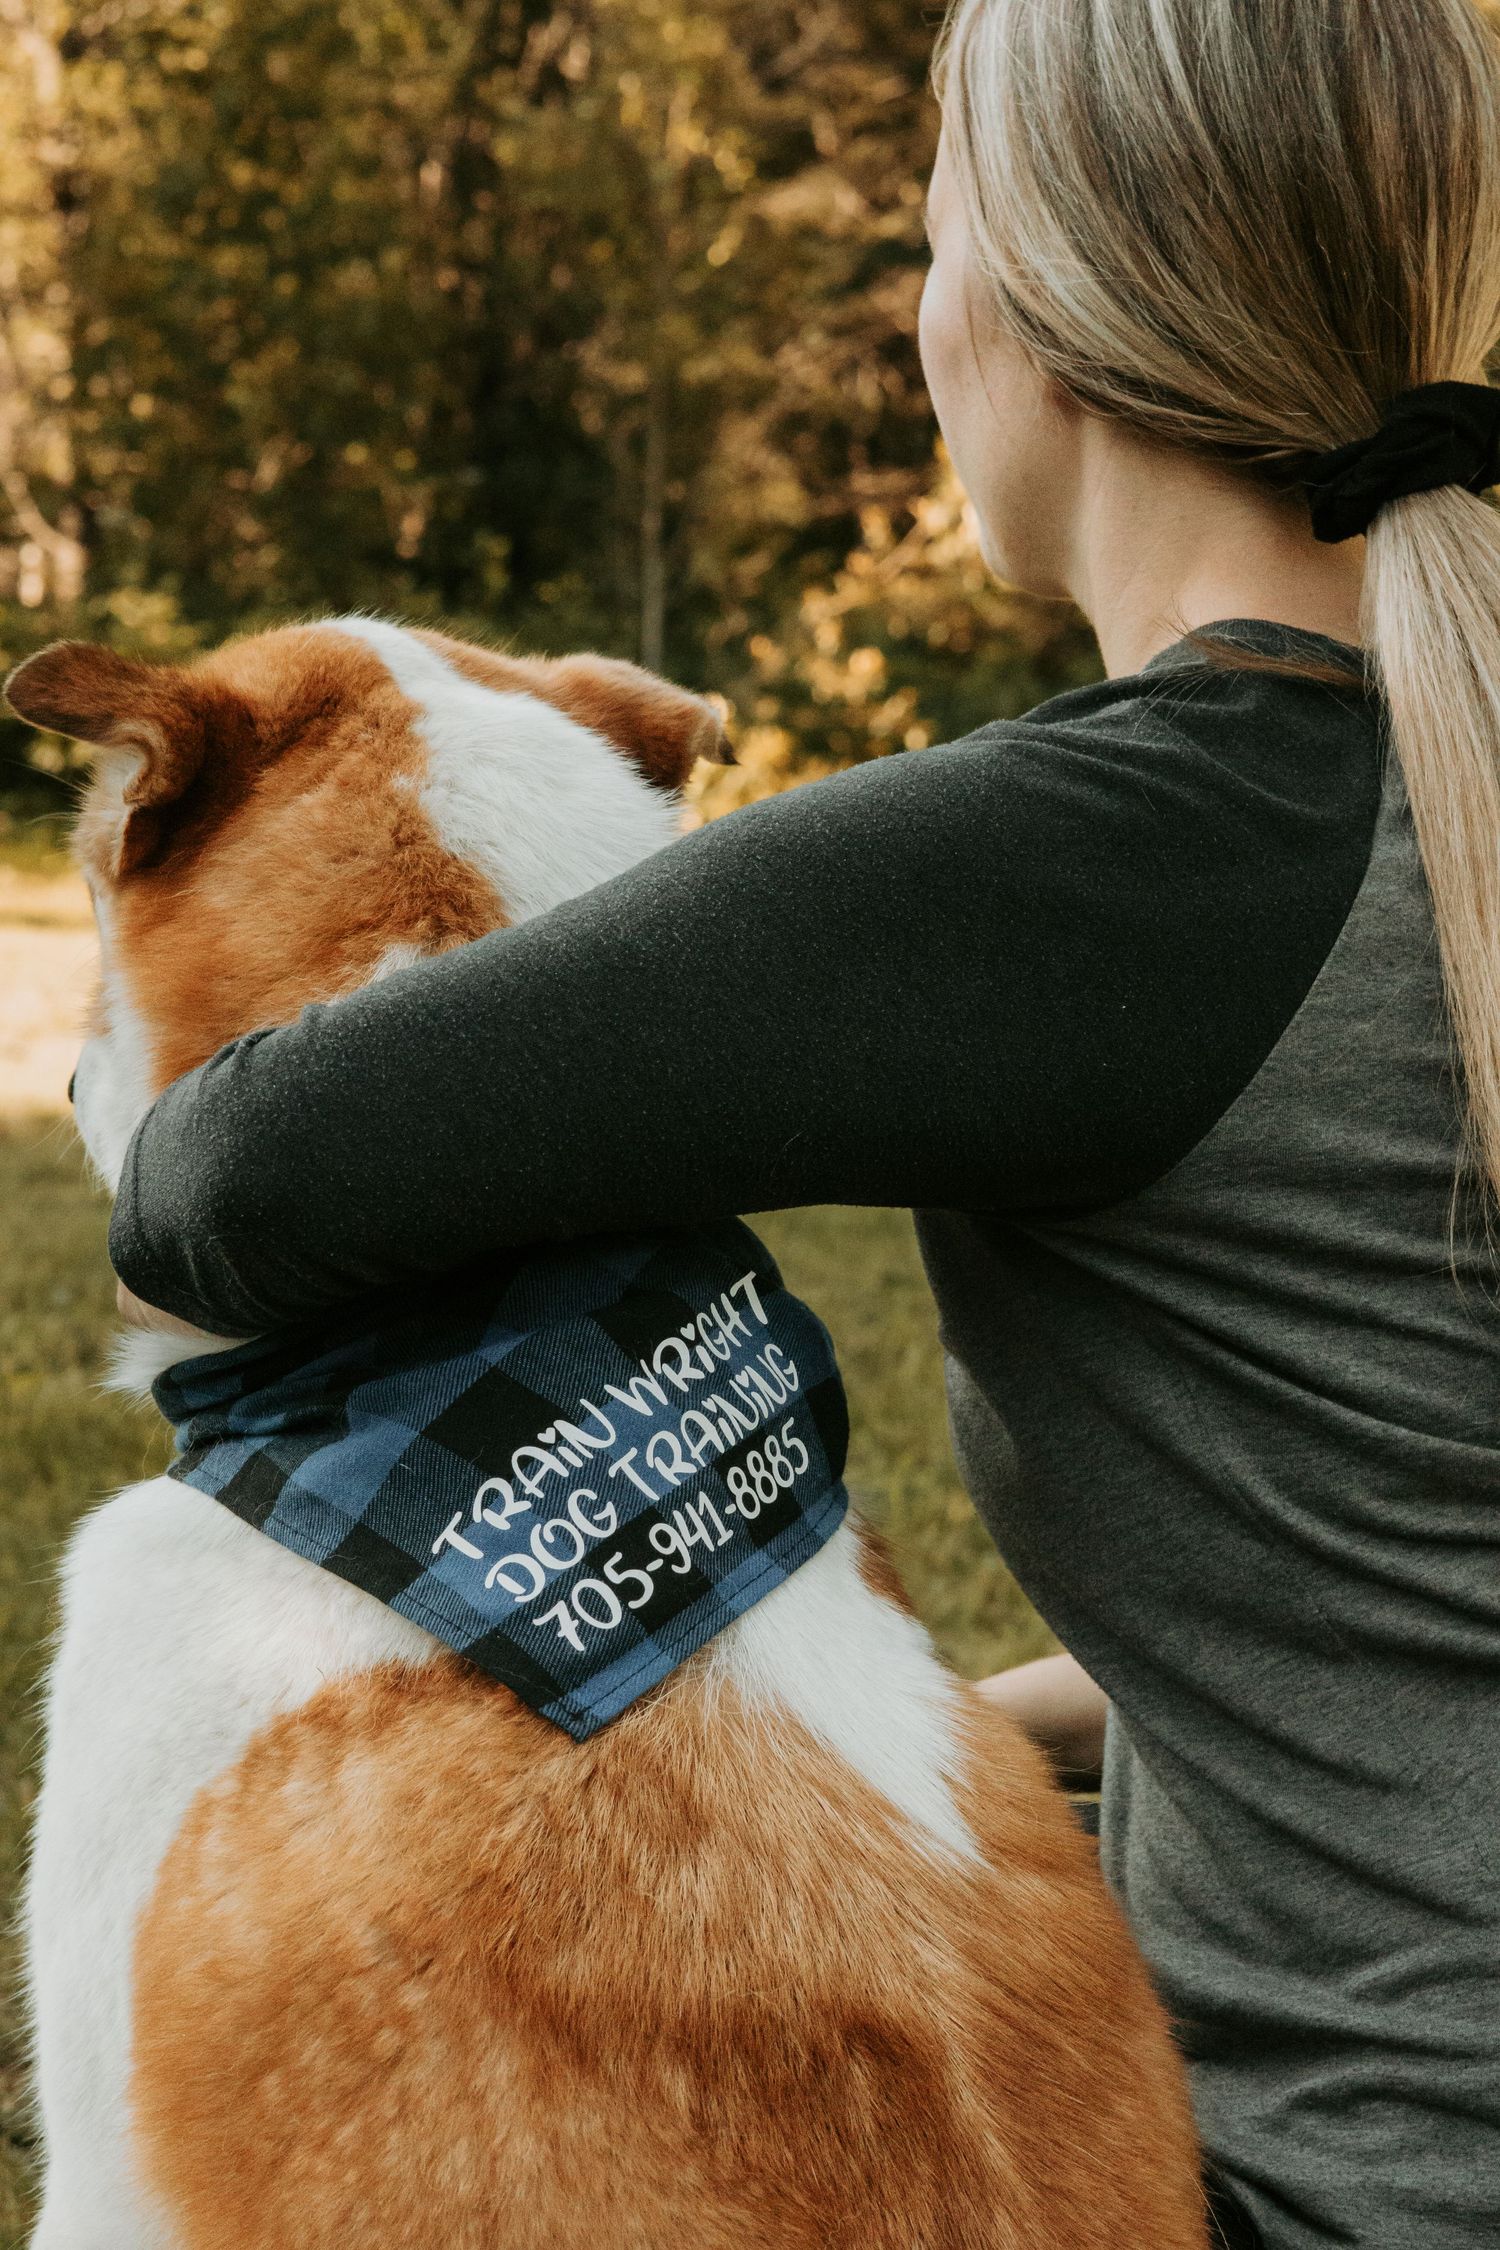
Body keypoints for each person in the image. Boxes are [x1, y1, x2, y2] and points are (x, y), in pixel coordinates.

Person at [108, 2, 1500, 2243]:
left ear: (1034, 302)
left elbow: (226, 1183)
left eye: (930, 230)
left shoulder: (1124, 855)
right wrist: (905, 1724)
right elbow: (1392, 1623)